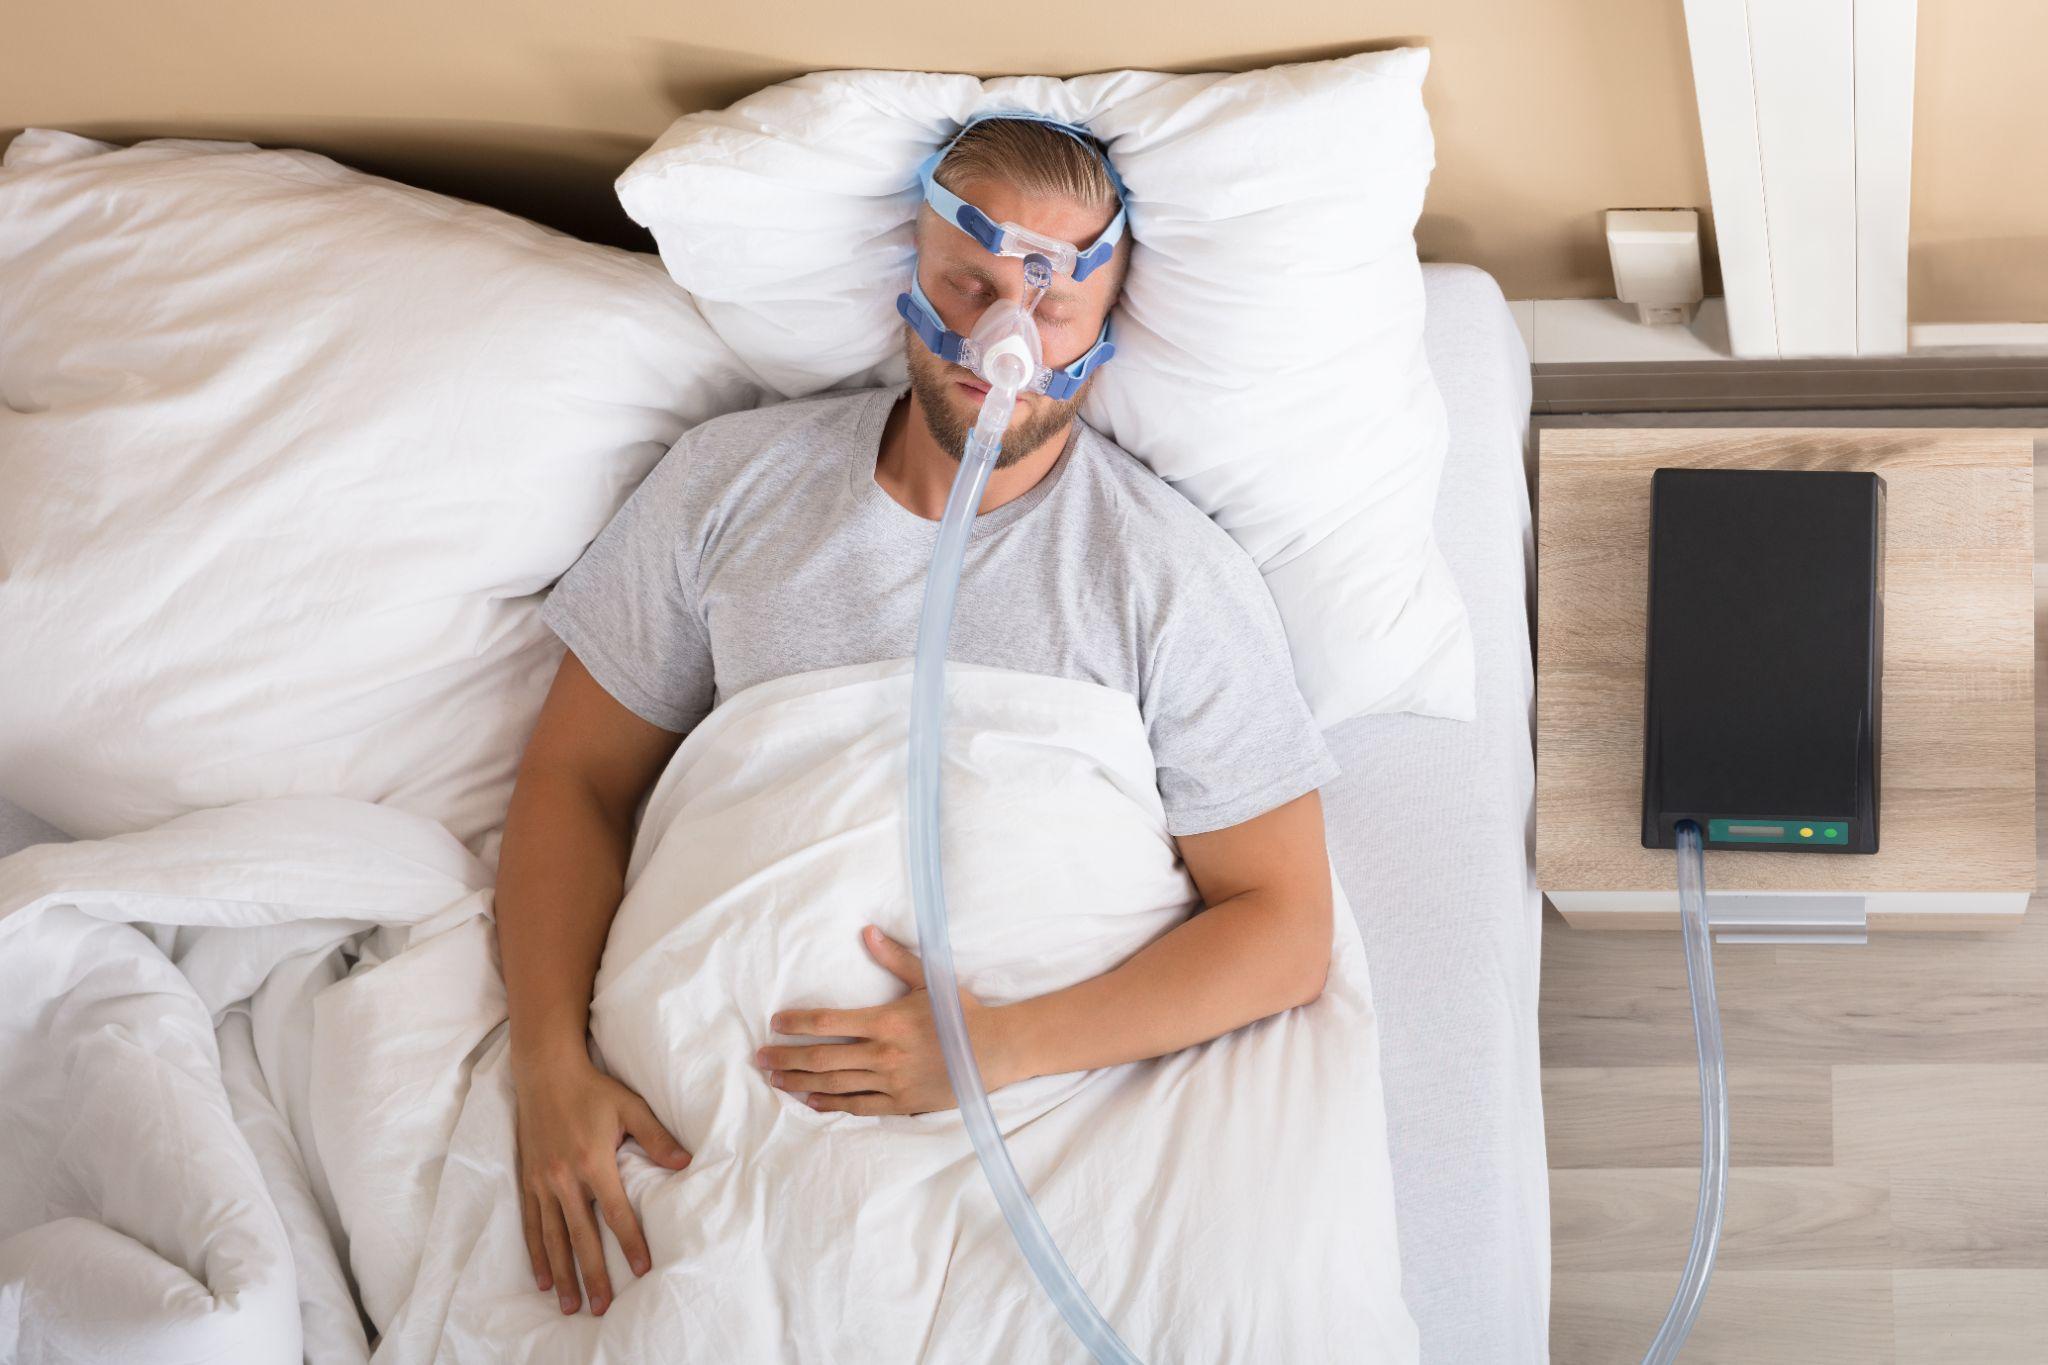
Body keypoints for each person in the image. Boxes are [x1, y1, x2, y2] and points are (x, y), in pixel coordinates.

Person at [494, 113, 1342, 1321]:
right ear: (910, 278)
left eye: (1051, 307)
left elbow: (1284, 929)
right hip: (710, 1104)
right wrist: (546, 1068)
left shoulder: (1167, 577)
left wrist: (991, 1051)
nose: (1003, 335)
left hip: (1027, 1108)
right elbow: (573, 777)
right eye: (972, 283)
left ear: (1104, 331)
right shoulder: (725, 486)